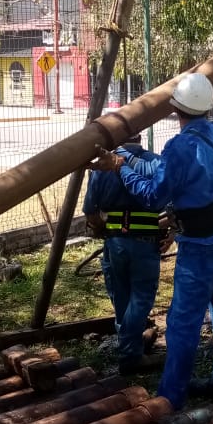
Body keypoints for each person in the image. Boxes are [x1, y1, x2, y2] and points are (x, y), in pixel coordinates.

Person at [94, 73, 213, 409]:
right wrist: (131, 159)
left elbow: (154, 194)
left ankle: (169, 400)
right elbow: (177, 173)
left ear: (176, 110)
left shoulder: (180, 146)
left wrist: (120, 167)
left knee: (182, 323)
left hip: (199, 246)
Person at [83, 133, 164, 375]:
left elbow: (90, 211)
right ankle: (131, 354)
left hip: (115, 241)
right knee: (141, 297)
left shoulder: (103, 167)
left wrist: (100, 228)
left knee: (121, 296)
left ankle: (131, 342)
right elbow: (168, 200)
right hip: (146, 242)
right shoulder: (156, 163)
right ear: (140, 137)